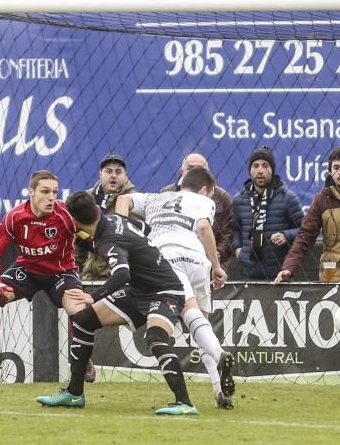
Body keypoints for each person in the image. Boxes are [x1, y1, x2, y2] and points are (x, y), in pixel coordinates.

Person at [37, 190, 198, 416]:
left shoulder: (109, 238)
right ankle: (74, 394)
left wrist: (94, 296)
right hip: (139, 290)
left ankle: (185, 404)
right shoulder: (112, 220)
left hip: (165, 292)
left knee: (155, 337)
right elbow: (144, 230)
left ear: (74, 220)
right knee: (83, 320)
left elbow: (122, 274)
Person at [117, 167, 236, 409]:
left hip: (165, 258)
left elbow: (123, 199)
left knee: (188, 312)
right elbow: (203, 228)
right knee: (201, 320)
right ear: (204, 190)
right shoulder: (202, 200)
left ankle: (218, 353)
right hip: (196, 259)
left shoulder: (155, 197)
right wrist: (216, 265)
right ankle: (218, 388)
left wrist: (123, 228)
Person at [0, 170, 94, 383]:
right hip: (28, 271)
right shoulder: (15, 217)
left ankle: (83, 358)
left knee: (78, 309)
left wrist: (101, 245)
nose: (51, 197)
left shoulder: (66, 215)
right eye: (45, 191)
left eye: (54, 192)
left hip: (61, 272)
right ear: (31, 192)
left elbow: (92, 236)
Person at [275, 146, 340, 284]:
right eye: (336, 168)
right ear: (330, 172)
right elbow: (305, 235)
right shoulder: (321, 200)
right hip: (333, 279)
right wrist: (288, 268)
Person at [231, 147, 303, 280]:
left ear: (273, 170)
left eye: (265, 166)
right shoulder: (239, 200)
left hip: (279, 274)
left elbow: (304, 230)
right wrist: (238, 250)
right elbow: (235, 230)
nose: (260, 171)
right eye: (255, 166)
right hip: (248, 273)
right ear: (250, 170)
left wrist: (286, 235)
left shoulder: (288, 198)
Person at [161, 152, 234, 264]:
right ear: (181, 172)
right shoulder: (167, 193)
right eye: (190, 168)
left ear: (208, 173)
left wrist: (217, 254)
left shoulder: (223, 197)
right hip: (172, 258)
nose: (194, 173)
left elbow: (228, 231)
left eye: (200, 169)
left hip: (209, 262)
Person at [74, 153, 137, 280]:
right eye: (108, 171)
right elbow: (76, 241)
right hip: (89, 273)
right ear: (100, 174)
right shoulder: (87, 198)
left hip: (119, 274)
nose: (113, 175)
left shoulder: (134, 201)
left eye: (118, 172)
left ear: (125, 175)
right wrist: (75, 270)